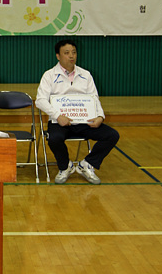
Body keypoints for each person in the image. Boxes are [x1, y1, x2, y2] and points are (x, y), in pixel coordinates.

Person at [35, 38, 119, 185]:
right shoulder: (49, 75)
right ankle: (65, 167)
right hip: (60, 122)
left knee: (112, 135)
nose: (71, 56)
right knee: (53, 138)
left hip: (84, 121)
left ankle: (87, 164)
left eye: (74, 52)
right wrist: (58, 116)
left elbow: (94, 98)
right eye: (66, 53)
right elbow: (40, 100)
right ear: (58, 56)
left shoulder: (85, 75)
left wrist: (100, 116)